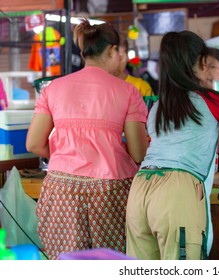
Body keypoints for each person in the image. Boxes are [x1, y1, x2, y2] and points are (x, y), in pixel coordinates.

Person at [125, 31, 219, 260]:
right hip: (176, 194)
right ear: (201, 63)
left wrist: (213, 176)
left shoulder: (159, 106)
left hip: (141, 188)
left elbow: (174, 151)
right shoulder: (213, 99)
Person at [25, 19, 149, 260]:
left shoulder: (53, 88)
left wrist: (66, 153)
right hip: (110, 192)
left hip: (61, 190)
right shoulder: (128, 91)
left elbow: (33, 144)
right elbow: (138, 153)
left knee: (67, 265)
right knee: (111, 266)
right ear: (113, 50)